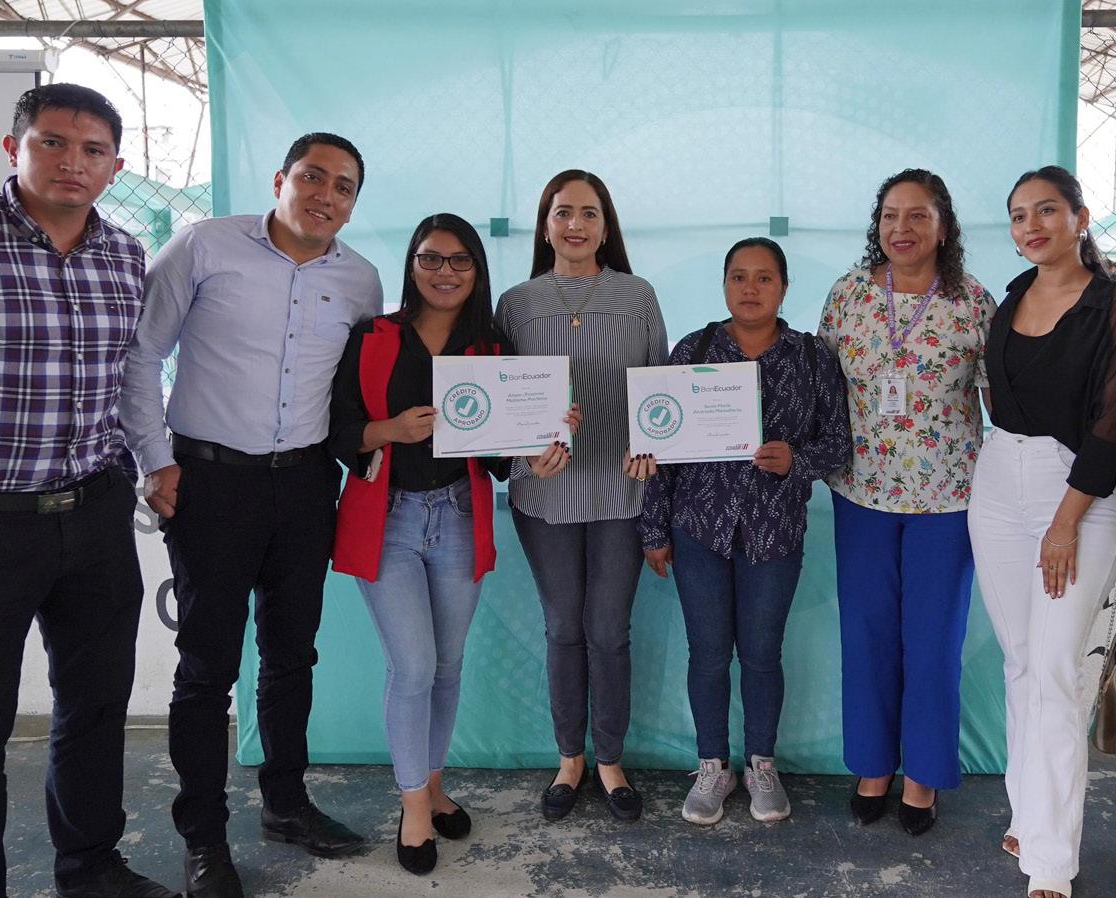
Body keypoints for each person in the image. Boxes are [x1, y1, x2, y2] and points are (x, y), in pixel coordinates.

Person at [119, 133, 383, 898]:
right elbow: (142, 353)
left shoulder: (359, 280)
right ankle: (204, 839)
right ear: (280, 179)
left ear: (353, 204)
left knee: (292, 655)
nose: (325, 195)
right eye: (312, 177)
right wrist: (154, 458)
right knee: (207, 669)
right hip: (210, 483)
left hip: (305, 486)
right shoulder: (204, 246)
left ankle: (286, 803)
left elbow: (358, 387)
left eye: (343, 186)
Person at [0, 83, 178, 898]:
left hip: (93, 512)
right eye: (52, 142)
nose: (72, 162)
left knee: (94, 704)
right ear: (15, 149)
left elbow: (130, 378)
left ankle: (90, 866)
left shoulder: (125, 255)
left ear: (115, 166)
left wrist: (152, 460)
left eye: (92, 151)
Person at [327, 213, 577, 873]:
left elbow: (498, 454)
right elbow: (337, 428)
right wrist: (387, 430)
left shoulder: (491, 348)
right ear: (412, 264)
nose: (445, 272)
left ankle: (433, 784)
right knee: (412, 667)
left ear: (477, 270)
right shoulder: (374, 337)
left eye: (460, 260)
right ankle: (414, 806)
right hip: (390, 519)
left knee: (446, 665)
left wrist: (539, 449)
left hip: (461, 516)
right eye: (431, 258)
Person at [970, 166, 1116, 898]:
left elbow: (1115, 425)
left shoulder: (1115, 307)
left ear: (1080, 216)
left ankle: (1050, 859)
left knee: (1051, 668)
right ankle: (1029, 812)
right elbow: (998, 401)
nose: (1031, 226)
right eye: (1019, 215)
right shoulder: (1012, 296)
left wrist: (1064, 522)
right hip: (996, 482)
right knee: (1020, 662)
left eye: (1047, 210)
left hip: (1076, 490)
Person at [629, 238, 850, 826]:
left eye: (764, 277)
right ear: (724, 284)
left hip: (774, 533)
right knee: (706, 654)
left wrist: (797, 460)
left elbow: (839, 443)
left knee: (761, 654)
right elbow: (659, 447)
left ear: (784, 287)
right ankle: (712, 765)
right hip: (699, 529)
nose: (750, 288)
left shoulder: (811, 357)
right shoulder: (693, 351)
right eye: (738, 276)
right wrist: (653, 529)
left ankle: (761, 765)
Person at [818, 168, 996, 836]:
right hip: (861, 492)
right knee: (866, 636)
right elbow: (820, 388)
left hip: (948, 500)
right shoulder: (849, 295)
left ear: (943, 227)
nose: (902, 228)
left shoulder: (973, 303)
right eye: (891, 215)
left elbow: (1003, 402)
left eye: (918, 215)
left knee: (933, 642)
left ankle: (922, 774)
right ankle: (872, 767)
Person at [495, 169, 668, 823]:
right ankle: (570, 759)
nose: (576, 224)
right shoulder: (516, 303)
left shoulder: (637, 295)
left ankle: (610, 760)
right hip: (545, 496)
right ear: (545, 225)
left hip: (621, 492)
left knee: (608, 631)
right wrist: (524, 455)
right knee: (564, 628)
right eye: (563, 212)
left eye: (589, 213)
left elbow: (660, 389)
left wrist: (655, 442)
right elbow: (501, 405)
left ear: (605, 224)